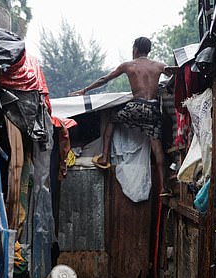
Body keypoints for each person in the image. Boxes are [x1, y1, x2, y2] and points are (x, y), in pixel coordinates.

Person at [70, 36, 176, 196]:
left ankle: (104, 157)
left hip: (137, 106)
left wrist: (85, 90)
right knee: (157, 146)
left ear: (135, 49)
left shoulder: (129, 65)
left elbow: (104, 79)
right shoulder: (159, 66)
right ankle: (164, 188)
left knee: (112, 118)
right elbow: (175, 73)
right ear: (149, 50)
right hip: (154, 108)